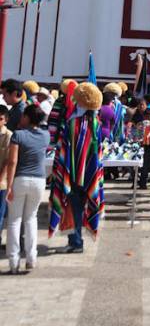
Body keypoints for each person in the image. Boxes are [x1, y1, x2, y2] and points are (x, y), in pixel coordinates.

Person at [49, 82, 105, 253]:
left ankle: (76, 242)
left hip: (72, 174)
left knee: (73, 207)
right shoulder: (95, 123)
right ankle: (76, 240)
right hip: (88, 173)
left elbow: (65, 147)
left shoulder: (74, 122)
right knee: (79, 207)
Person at [5, 103, 50, 272]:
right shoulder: (45, 136)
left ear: (27, 117)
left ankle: (13, 261)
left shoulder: (18, 134)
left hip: (20, 179)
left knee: (14, 221)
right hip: (39, 180)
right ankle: (31, 257)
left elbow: (12, 161)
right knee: (31, 219)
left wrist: (8, 186)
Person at [0, 104, 11, 247]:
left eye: (1, 118)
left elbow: (8, 161)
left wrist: (1, 178)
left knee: (0, 213)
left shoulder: (9, 135)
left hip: (2, 182)